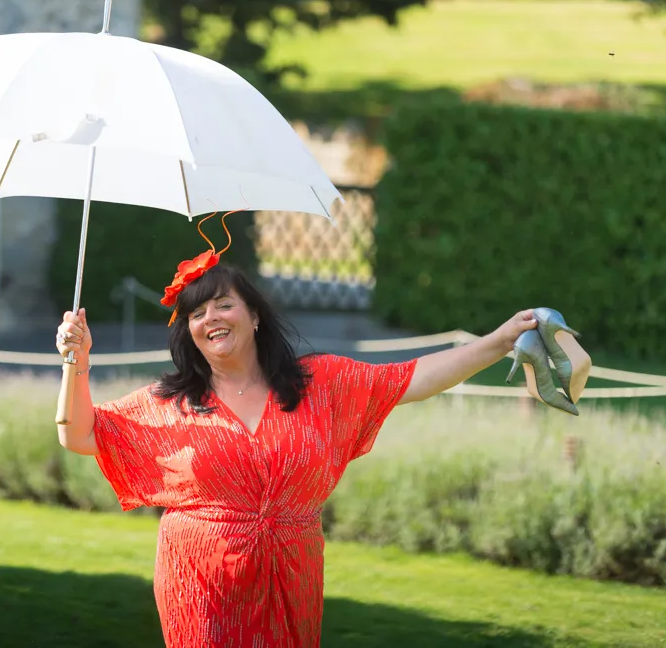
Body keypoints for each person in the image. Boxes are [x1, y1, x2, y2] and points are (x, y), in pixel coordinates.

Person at [54, 213, 538, 648]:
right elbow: (78, 434)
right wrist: (77, 364)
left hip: (293, 571)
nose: (211, 319)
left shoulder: (320, 383)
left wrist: (498, 341)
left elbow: (413, 377)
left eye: (223, 304)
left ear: (255, 315)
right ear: (189, 333)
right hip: (200, 581)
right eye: (197, 313)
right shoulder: (170, 403)